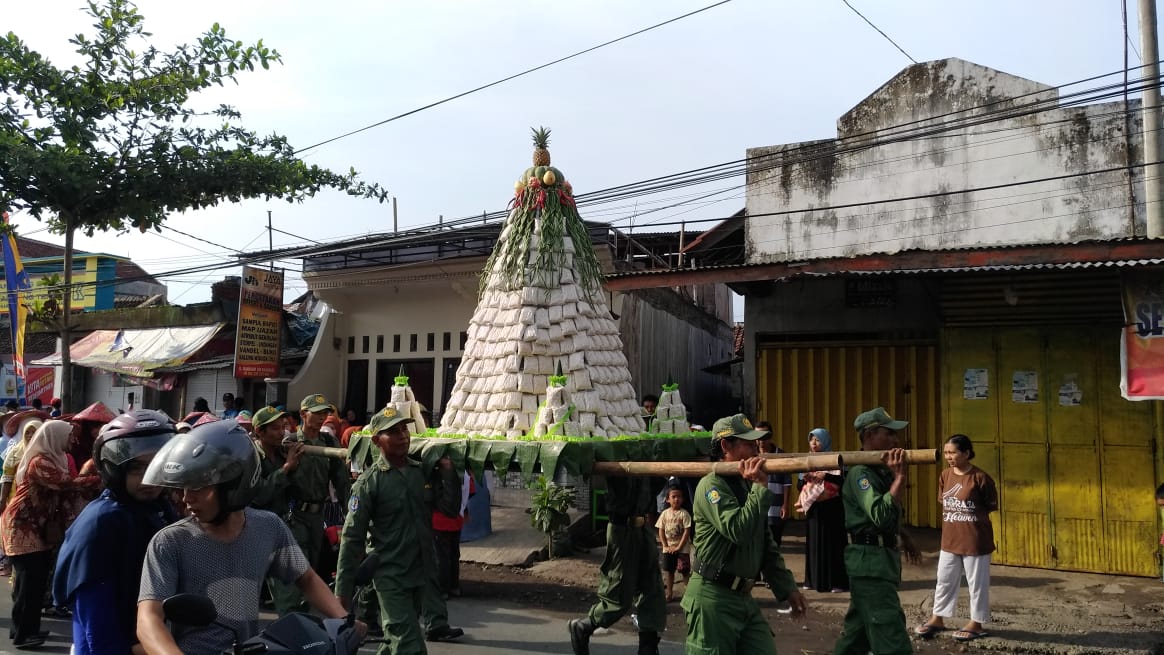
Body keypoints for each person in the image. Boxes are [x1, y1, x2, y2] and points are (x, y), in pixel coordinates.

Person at [136, 419, 360, 655]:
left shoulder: (268, 526)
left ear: (233, 484)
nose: (186, 498)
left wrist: (345, 622)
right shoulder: (170, 542)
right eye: (183, 488)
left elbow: (306, 578)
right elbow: (148, 619)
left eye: (198, 487)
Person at [334, 406, 464, 653]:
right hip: (390, 575)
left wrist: (448, 474)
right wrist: (342, 590)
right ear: (376, 441)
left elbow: (449, 509)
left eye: (404, 429)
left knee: (395, 641)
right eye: (393, 432)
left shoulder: (421, 473)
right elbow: (352, 538)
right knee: (409, 645)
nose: (403, 436)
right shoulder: (369, 483)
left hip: (421, 572)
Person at [54, 410, 179, 655]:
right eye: (136, 469)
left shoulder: (157, 509)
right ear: (114, 470)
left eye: (156, 467)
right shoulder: (103, 522)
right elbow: (97, 625)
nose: (149, 479)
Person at [681, 414, 805, 654]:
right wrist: (760, 488)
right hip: (713, 596)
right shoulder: (712, 486)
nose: (757, 450)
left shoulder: (746, 483)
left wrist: (788, 588)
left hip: (743, 597)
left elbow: (765, 543)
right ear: (726, 446)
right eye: (749, 444)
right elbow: (739, 530)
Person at [2, 420, 102, 649]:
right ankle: (25, 636)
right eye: (68, 436)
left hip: (33, 525)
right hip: (21, 526)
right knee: (30, 582)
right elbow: (66, 483)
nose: (72, 440)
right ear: (55, 437)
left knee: (29, 582)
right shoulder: (40, 463)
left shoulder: (52, 459)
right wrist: (101, 477)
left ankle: (23, 629)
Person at [832, 407, 920, 655]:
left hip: (877, 562)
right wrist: (900, 478)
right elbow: (880, 513)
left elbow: (884, 517)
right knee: (891, 636)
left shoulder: (877, 470)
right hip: (870, 564)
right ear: (869, 435)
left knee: (856, 637)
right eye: (888, 434)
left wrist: (903, 534)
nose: (895, 440)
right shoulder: (861, 473)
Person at [568, 473, 666, 655]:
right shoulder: (620, 451)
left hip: (643, 525)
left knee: (652, 586)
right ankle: (584, 626)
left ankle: (648, 646)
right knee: (620, 592)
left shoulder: (645, 451)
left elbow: (655, 484)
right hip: (621, 527)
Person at [915, 434, 998, 643]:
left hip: (975, 540)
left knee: (976, 584)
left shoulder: (980, 478)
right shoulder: (945, 475)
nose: (948, 457)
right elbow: (944, 500)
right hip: (950, 540)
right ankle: (937, 619)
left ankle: (976, 624)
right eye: (946, 453)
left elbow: (990, 506)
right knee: (944, 580)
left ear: (967, 453)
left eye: (953, 452)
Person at [249, 406, 308, 616]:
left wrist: (296, 464)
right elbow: (260, 494)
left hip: (283, 527)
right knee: (284, 596)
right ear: (259, 432)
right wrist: (286, 469)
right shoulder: (252, 456)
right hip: (258, 531)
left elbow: (298, 491)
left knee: (296, 591)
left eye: (282, 427)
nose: (281, 432)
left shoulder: (281, 454)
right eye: (274, 428)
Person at [285, 395, 351, 578]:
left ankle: (305, 603)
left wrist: (350, 513)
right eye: (317, 413)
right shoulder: (289, 443)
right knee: (299, 564)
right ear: (303, 414)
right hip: (294, 513)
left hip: (318, 515)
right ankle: (294, 604)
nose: (322, 417)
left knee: (313, 563)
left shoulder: (330, 443)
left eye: (325, 413)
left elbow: (342, 481)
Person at [796, 427, 848, 593]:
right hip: (815, 509)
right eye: (811, 439)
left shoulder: (835, 459)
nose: (814, 443)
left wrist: (825, 476)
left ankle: (836, 582)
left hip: (832, 509)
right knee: (814, 545)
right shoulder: (807, 460)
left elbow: (842, 481)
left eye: (817, 439)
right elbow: (799, 485)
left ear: (825, 441)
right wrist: (807, 479)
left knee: (833, 544)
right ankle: (813, 581)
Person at [432, 470, 475, 599]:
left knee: (442, 556)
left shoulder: (435, 472)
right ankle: (454, 587)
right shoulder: (464, 473)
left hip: (439, 520)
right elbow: (471, 492)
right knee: (454, 554)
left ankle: (443, 589)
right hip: (457, 519)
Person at [756, 421, 791, 547]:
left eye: (764, 436)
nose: (761, 440)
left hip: (775, 507)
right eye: (757, 436)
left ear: (770, 436)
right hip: (757, 508)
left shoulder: (781, 455)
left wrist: (785, 505)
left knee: (775, 543)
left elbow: (787, 482)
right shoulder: (752, 455)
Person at [655, 484, 692, 602]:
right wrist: (665, 545)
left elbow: (687, 531)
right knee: (669, 571)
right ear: (667, 499)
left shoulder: (684, 514)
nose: (677, 499)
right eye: (674, 496)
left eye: (679, 496)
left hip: (682, 549)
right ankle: (669, 593)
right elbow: (661, 530)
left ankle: (689, 594)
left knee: (684, 571)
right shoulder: (665, 514)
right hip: (668, 549)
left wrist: (679, 547)